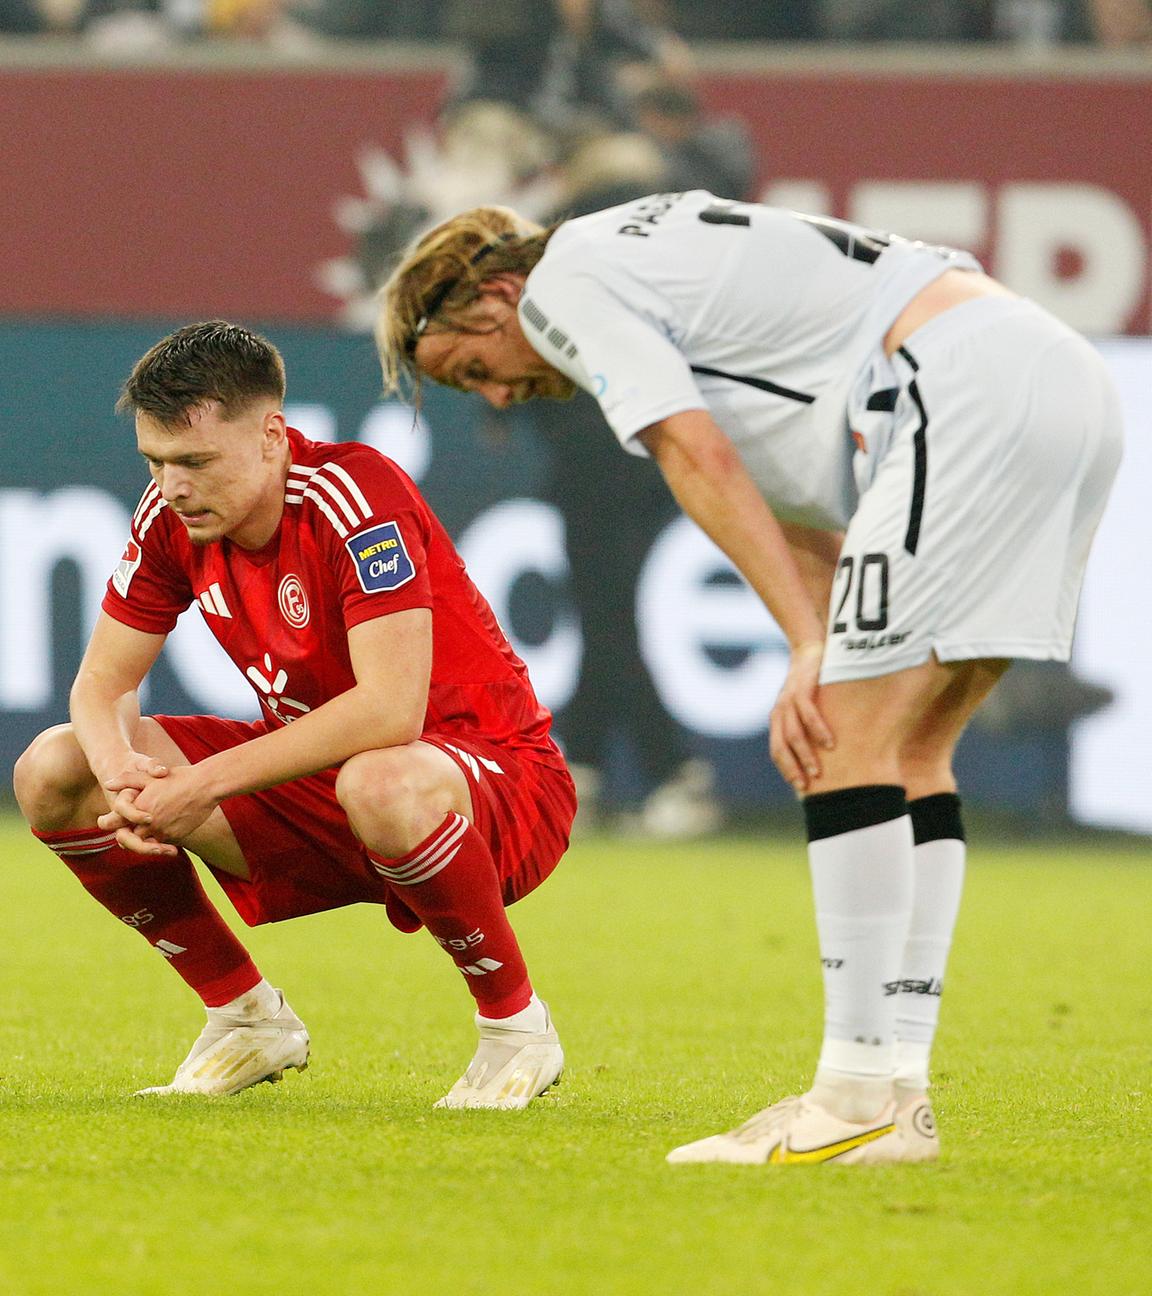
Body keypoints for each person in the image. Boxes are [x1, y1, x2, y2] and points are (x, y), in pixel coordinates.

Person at [374, 192, 1122, 1163]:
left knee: (841, 742)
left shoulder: (565, 283)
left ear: (499, 294)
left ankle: (853, 1098)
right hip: (1052, 378)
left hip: (956, 387)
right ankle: (896, 1097)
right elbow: (802, 517)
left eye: (476, 368)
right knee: (913, 747)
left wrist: (812, 653)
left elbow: (696, 452)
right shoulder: (674, 287)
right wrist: (814, 636)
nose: (504, 396)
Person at [12, 320, 575, 1108]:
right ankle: (244, 1018)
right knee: (55, 767)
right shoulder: (169, 518)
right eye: (156, 461)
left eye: (196, 462)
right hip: (329, 785)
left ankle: (517, 1030)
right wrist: (125, 779)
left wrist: (199, 785)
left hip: (494, 783)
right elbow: (100, 688)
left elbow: (388, 713)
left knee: (382, 780)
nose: (173, 486)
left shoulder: (353, 495)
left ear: (273, 436)